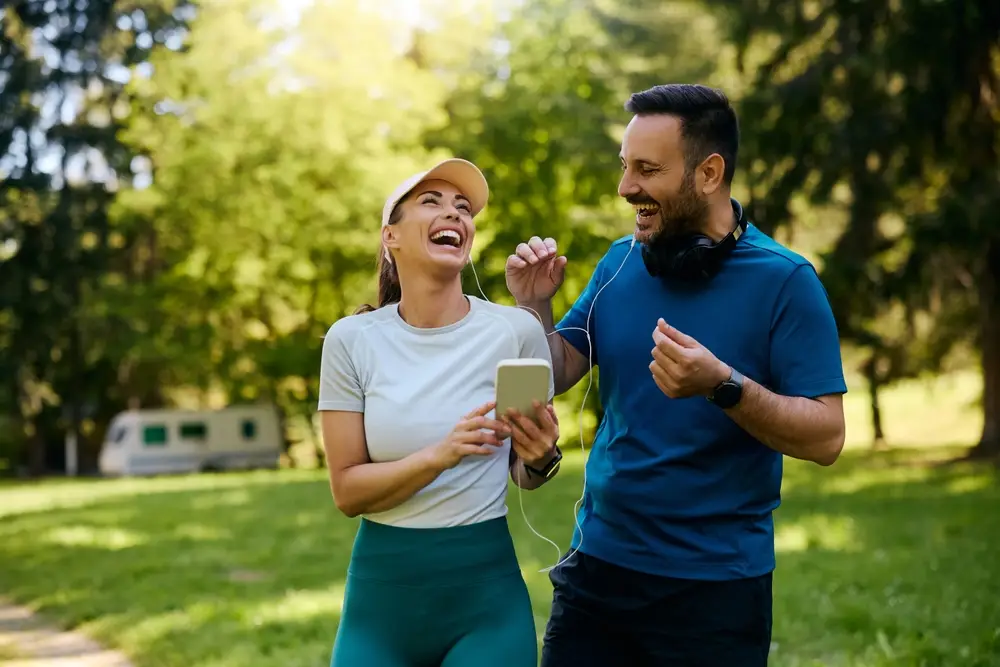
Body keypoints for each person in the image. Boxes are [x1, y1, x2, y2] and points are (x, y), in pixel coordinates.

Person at [505, 84, 848, 666]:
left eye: (647, 169)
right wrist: (533, 308)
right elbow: (557, 368)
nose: (625, 187)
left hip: (714, 591)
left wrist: (722, 385)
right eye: (625, 167)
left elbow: (826, 437)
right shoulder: (620, 261)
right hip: (598, 571)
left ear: (709, 172)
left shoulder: (786, 281)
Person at [318, 157, 564, 667]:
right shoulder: (351, 340)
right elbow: (347, 492)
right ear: (392, 237)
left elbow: (526, 472)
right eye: (431, 202)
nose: (454, 214)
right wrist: (441, 455)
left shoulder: (515, 332)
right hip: (381, 609)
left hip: (486, 606)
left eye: (463, 208)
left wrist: (541, 458)